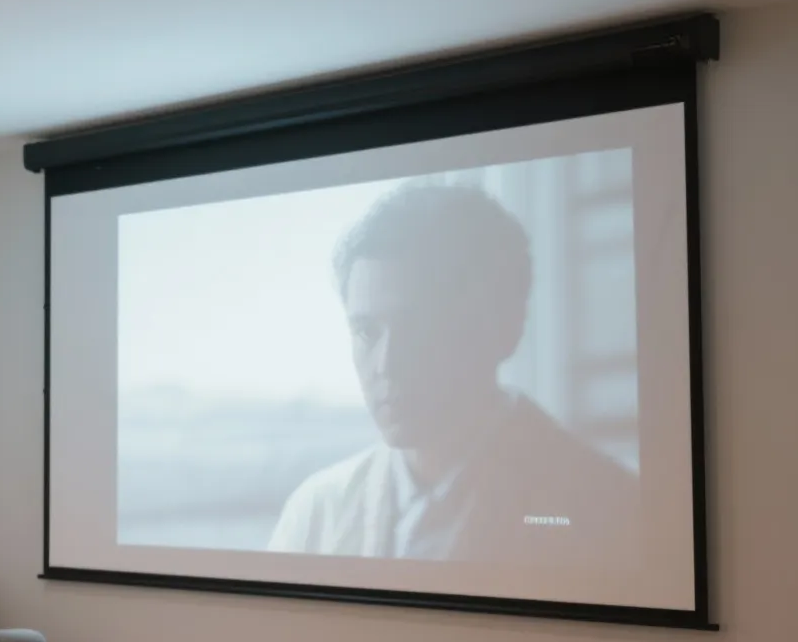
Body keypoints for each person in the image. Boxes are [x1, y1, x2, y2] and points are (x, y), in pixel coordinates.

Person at [268, 182, 638, 562]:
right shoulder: (316, 513)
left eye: (418, 327)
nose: (386, 365)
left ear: (503, 329)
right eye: (366, 331)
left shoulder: (611, 509)